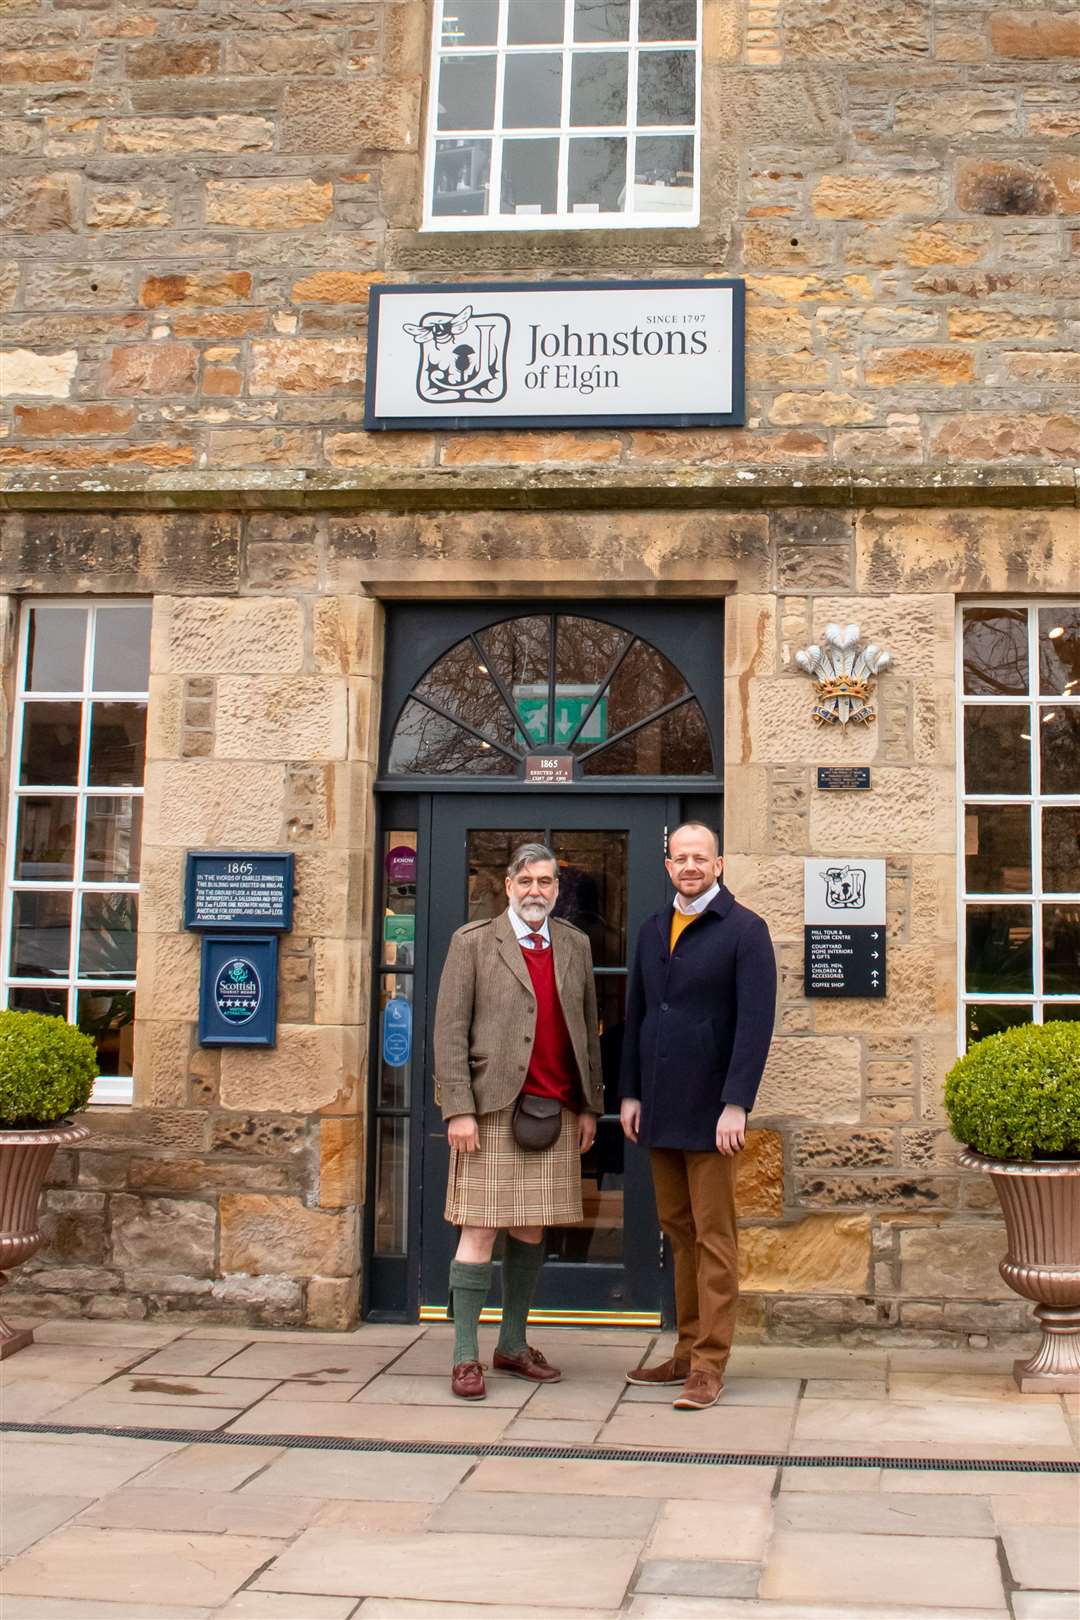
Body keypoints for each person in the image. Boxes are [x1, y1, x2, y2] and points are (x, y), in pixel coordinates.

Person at [434, 842, 603, 1399]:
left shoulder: (576, 946)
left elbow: (586, 1030)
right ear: (508, 886)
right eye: (526, 881)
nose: (537, 891)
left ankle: (511, 1344)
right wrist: (457, 1108)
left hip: (553, 1108)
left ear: (558, 888)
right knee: (479, 1228)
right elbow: (450, 1031)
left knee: (532, 1228)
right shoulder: (474, 943)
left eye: (546, 882)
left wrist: (589, 1105)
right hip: (490, 1110)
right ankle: (464, 1357)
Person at [619, 822, 776, 1410]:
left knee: (714, 1239)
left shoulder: (745, 931)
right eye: (680, 857)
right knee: (678, 1233)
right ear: (668, 866)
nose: (690, 865)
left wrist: (736, 1103)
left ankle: (710, 1364)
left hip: (713, 1113)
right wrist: (630, 1093)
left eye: (700, 857)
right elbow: (636, 1013)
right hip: (659, 1108)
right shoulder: (654, 929)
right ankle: (684, 1353)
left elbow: (755, 1025)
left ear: (719, 864)